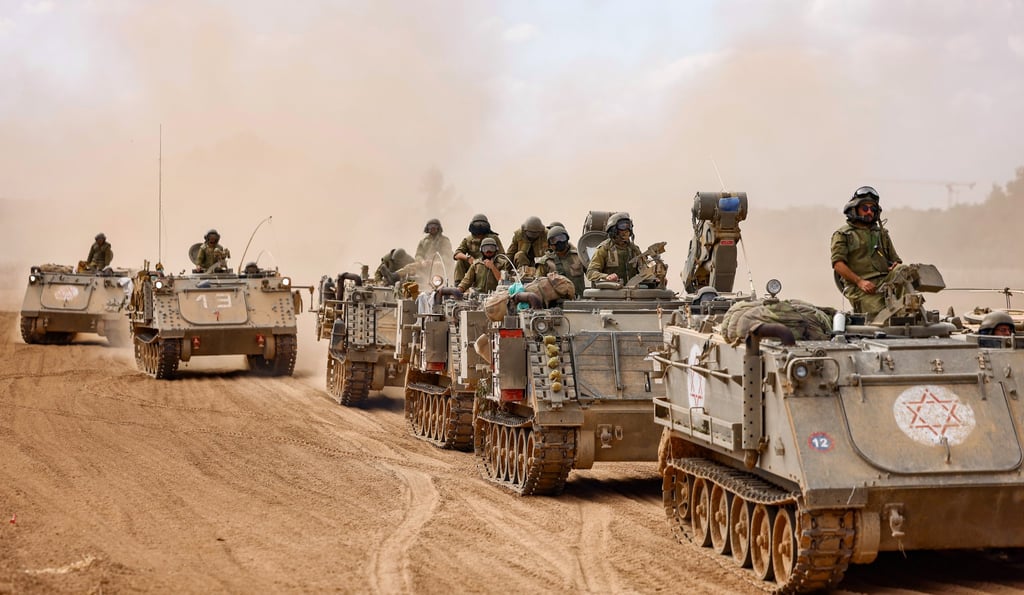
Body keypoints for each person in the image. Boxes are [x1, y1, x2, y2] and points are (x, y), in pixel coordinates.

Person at [830, 186, 905, 317]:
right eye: (865, 208)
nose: (869, 212)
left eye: (873, 209)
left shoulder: (881, 234)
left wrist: (895, 265)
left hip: (886, 283)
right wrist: (860, 282)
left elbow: (896, 260)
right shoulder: (843, 234)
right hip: (860, 288)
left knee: (904, 270)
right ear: (855, 209)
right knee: (884, 313)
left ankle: (909, 310)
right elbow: (838, 265)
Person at [586, 212, 642, 285]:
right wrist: (606, 277)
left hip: (632, 292)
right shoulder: (604, 249)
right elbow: (591, 272)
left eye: (629, 226)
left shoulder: (634, 249)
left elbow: (644, 269)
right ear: (613, 229)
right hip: (611, 293)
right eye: (623, 226)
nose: (627, 230)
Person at [535, 225, 586, 297]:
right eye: (554, 240)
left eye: (561, 238)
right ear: (550, 244)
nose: (558, 242)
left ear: (567, 239)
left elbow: (592, 273)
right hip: (555, 305)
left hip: (579, 301)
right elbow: (538, 285)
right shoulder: (545, 262)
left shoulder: (579, 257)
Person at [453, 213, 503, 283]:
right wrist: (468, 258)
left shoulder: (493, 238)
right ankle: (458, 284)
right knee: (460, 261)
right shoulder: (468, 240)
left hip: (490, 264)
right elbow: (456, 254)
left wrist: (493, 263)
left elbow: (502, 256)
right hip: (473, 265)